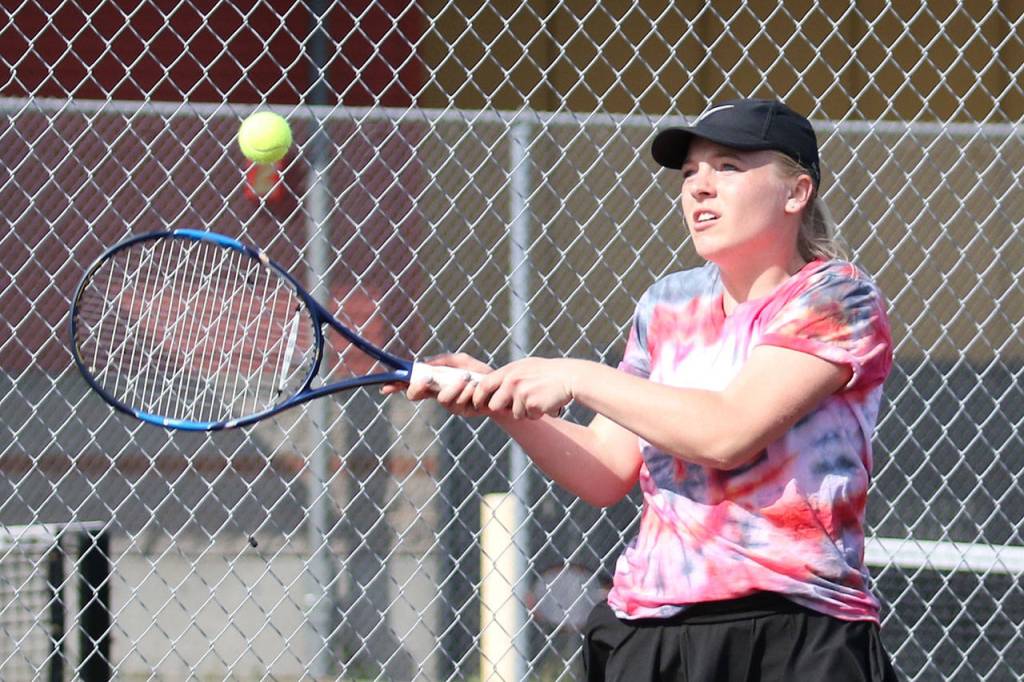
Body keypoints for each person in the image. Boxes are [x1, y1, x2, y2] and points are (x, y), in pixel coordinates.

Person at [385, 98, 899, 681]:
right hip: (649, 631)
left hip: (792, 630)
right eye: (689, 174)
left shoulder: (837, 297)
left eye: (727, 167)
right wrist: (502, 399)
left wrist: (575, 375)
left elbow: (729, 431)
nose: (700, 187)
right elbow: (606, 468)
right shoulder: (668, 304)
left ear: (795, 191)